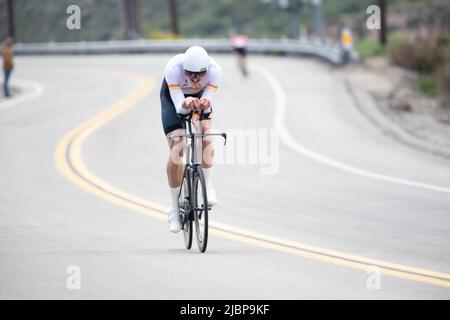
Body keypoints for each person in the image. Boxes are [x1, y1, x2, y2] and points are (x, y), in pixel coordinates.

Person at [160, 46, 222, 233]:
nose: (195, 79)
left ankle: (208, 187)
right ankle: (173, 208)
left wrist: (203, 103)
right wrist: (186, 103)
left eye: (199, 75)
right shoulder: (173, 69)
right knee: (178, 148)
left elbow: (209, 99)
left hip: (199, 98)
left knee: (205, 133)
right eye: (190, 74)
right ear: (184, 69)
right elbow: (179, 105)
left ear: (206, 70)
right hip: (174, 99)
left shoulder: (215, 70)